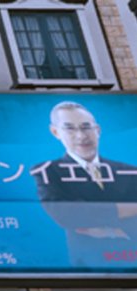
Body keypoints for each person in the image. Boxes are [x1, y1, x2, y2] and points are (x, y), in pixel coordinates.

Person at [31, 101, 137, 266]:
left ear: (98, 130)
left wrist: (103, 227)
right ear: (55, 132)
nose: (81, 136)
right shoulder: (48, 171)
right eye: (70, 129)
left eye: (86, 127)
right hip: (88, 265)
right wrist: (118, 225)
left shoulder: (128, 171)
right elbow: (67, 215)